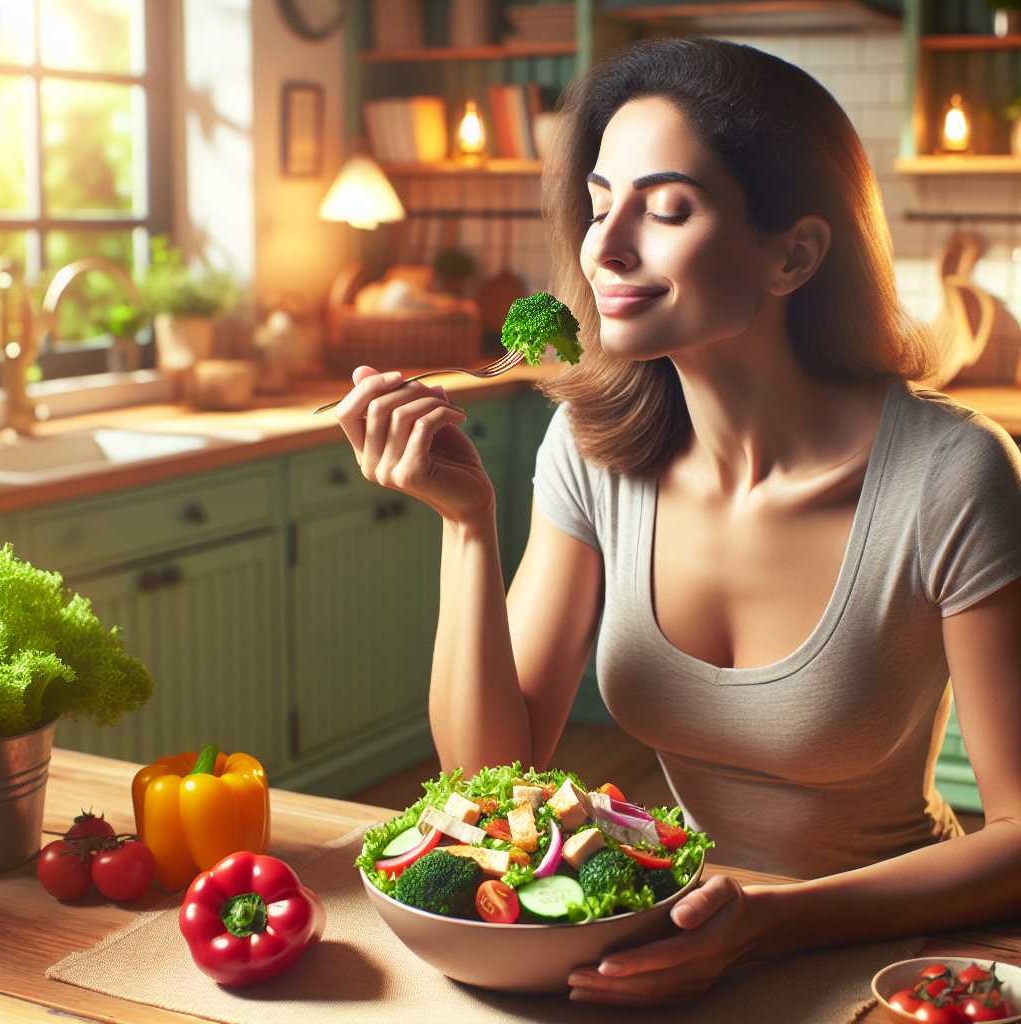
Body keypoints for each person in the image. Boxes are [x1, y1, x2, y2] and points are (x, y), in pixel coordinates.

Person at [335, 38, 1021, 1007]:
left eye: (665, 208)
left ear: (794, 253)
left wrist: (768, 925)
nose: (605, 245)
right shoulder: (589, 447)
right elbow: (490, 775)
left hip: (884, 951)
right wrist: (467, 526)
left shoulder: (952, 472)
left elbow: (1016, 840)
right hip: (671, 939)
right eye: (598, 201)